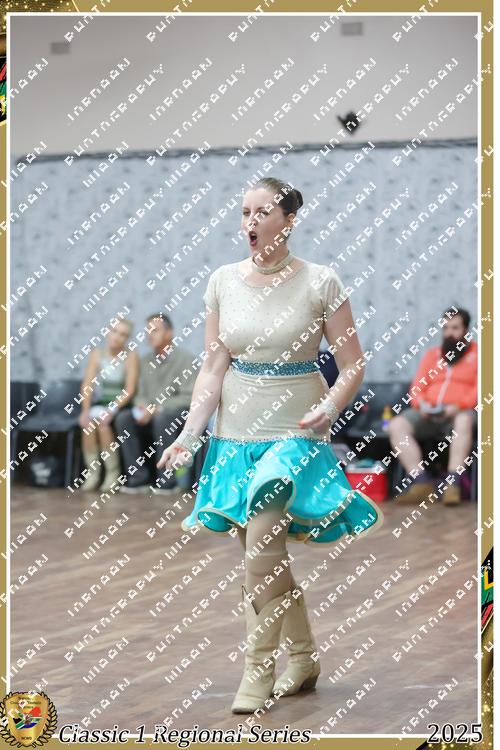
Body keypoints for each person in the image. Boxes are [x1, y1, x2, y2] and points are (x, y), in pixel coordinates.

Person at [156, 177, 384, 714]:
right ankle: (303, 659)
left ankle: (258, 669)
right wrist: (189, 434)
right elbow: (214, 367)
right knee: (265, 556)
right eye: (244, 212)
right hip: (236, 436)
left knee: (261, 545)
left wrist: (331, 406)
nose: (250, 222)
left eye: (262, 212)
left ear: (289, 220)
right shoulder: (221, 281)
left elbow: (352, 363)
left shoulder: (321, 282)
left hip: (296, 433)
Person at [388, 308, 478, 505]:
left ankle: (453, 485)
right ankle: (421, 483)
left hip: (460, 413)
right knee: (397, 425)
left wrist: (458, 406)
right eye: (445, 328)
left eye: (455, 328)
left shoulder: (480, 355)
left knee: (463, 419)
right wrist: (423, 406)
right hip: (428, 413)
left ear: (466, 330)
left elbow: (481, 389)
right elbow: (416, 388)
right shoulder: (432, 355)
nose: (449, 333)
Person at [115, 313, 197, 494]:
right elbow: (139, 393)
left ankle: (167, 481)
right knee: (124, 418)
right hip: (149, 413)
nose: (149, 335)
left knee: (162, 419)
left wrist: (158, 407)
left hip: (175, 414)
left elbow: (189, 397)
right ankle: (138, 479)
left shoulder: (186, 360)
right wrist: (142, 406)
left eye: (155, 330)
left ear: (169, 333)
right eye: (148, 331)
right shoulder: (145, 361)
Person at [78, 319, 139, 492]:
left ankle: (112, 474)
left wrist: (112, 410)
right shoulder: (97, 354)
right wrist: (85, 411)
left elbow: (130, 389)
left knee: (103, 424)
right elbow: (87, 384)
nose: (117, 337)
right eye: (114, 331)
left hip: (121, 405)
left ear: (127, 338)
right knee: (88, 424)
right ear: (108, 332)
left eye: (123, 335)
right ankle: (93, 473)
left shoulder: (130, 356)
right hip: (102, 403)